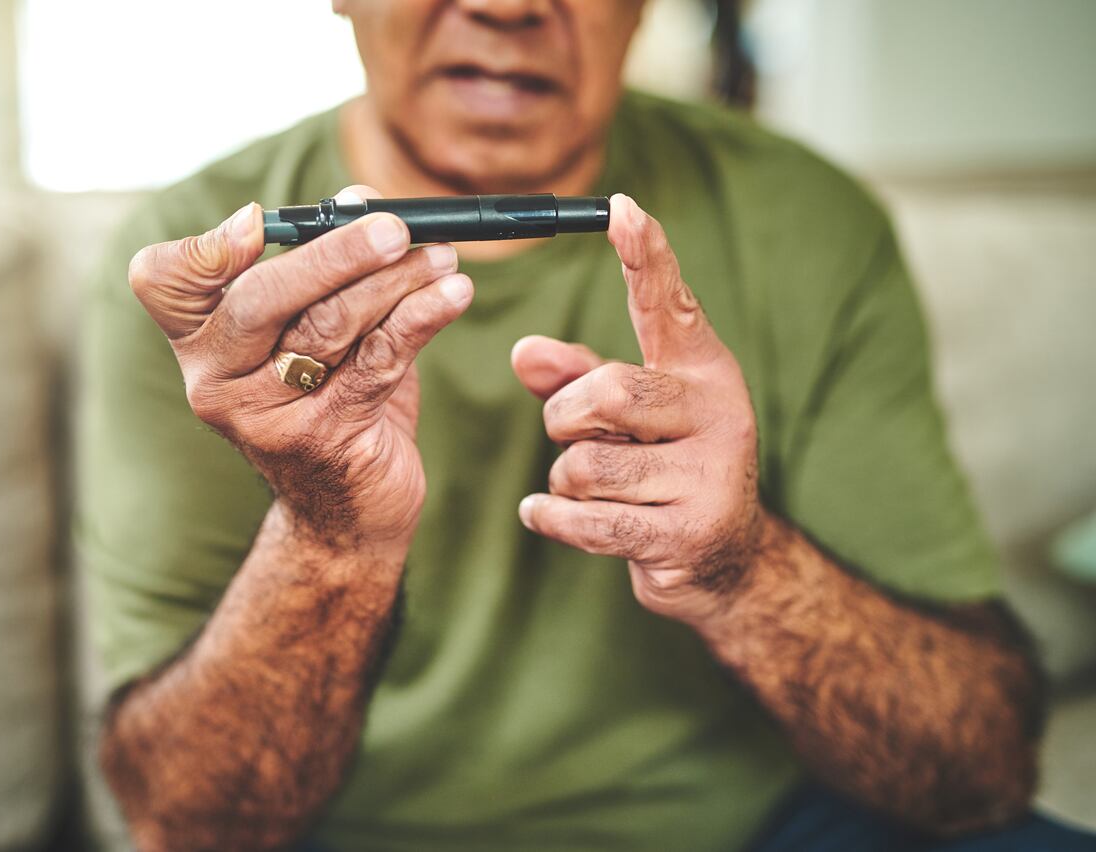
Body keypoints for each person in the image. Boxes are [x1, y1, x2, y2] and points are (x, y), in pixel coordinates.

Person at [77, 1, 1093, 850]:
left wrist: (739, 567)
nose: (509, 7)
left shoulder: (805, 219)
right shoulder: (201, 279)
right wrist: (327, 533)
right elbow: (185, 820)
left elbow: (983, 762)